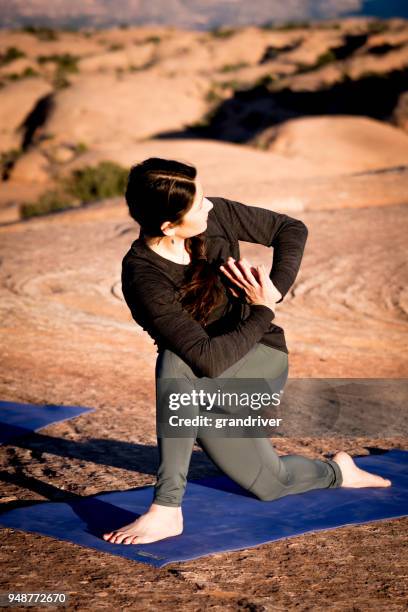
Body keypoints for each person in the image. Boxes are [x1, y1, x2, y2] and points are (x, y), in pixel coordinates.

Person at [103, 157, 391, 546]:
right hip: (204, 384)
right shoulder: (144, 275)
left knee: (174, 362)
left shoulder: (215, 217)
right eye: (198, 204)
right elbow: (208, 358)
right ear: (168, 226)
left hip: (261, 360)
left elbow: (291, 228)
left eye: (203, 196)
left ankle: (166, 509)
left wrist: (271, 292)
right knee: (271, 483)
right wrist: (262, 309)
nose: (209, 206)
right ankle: (339, 471)